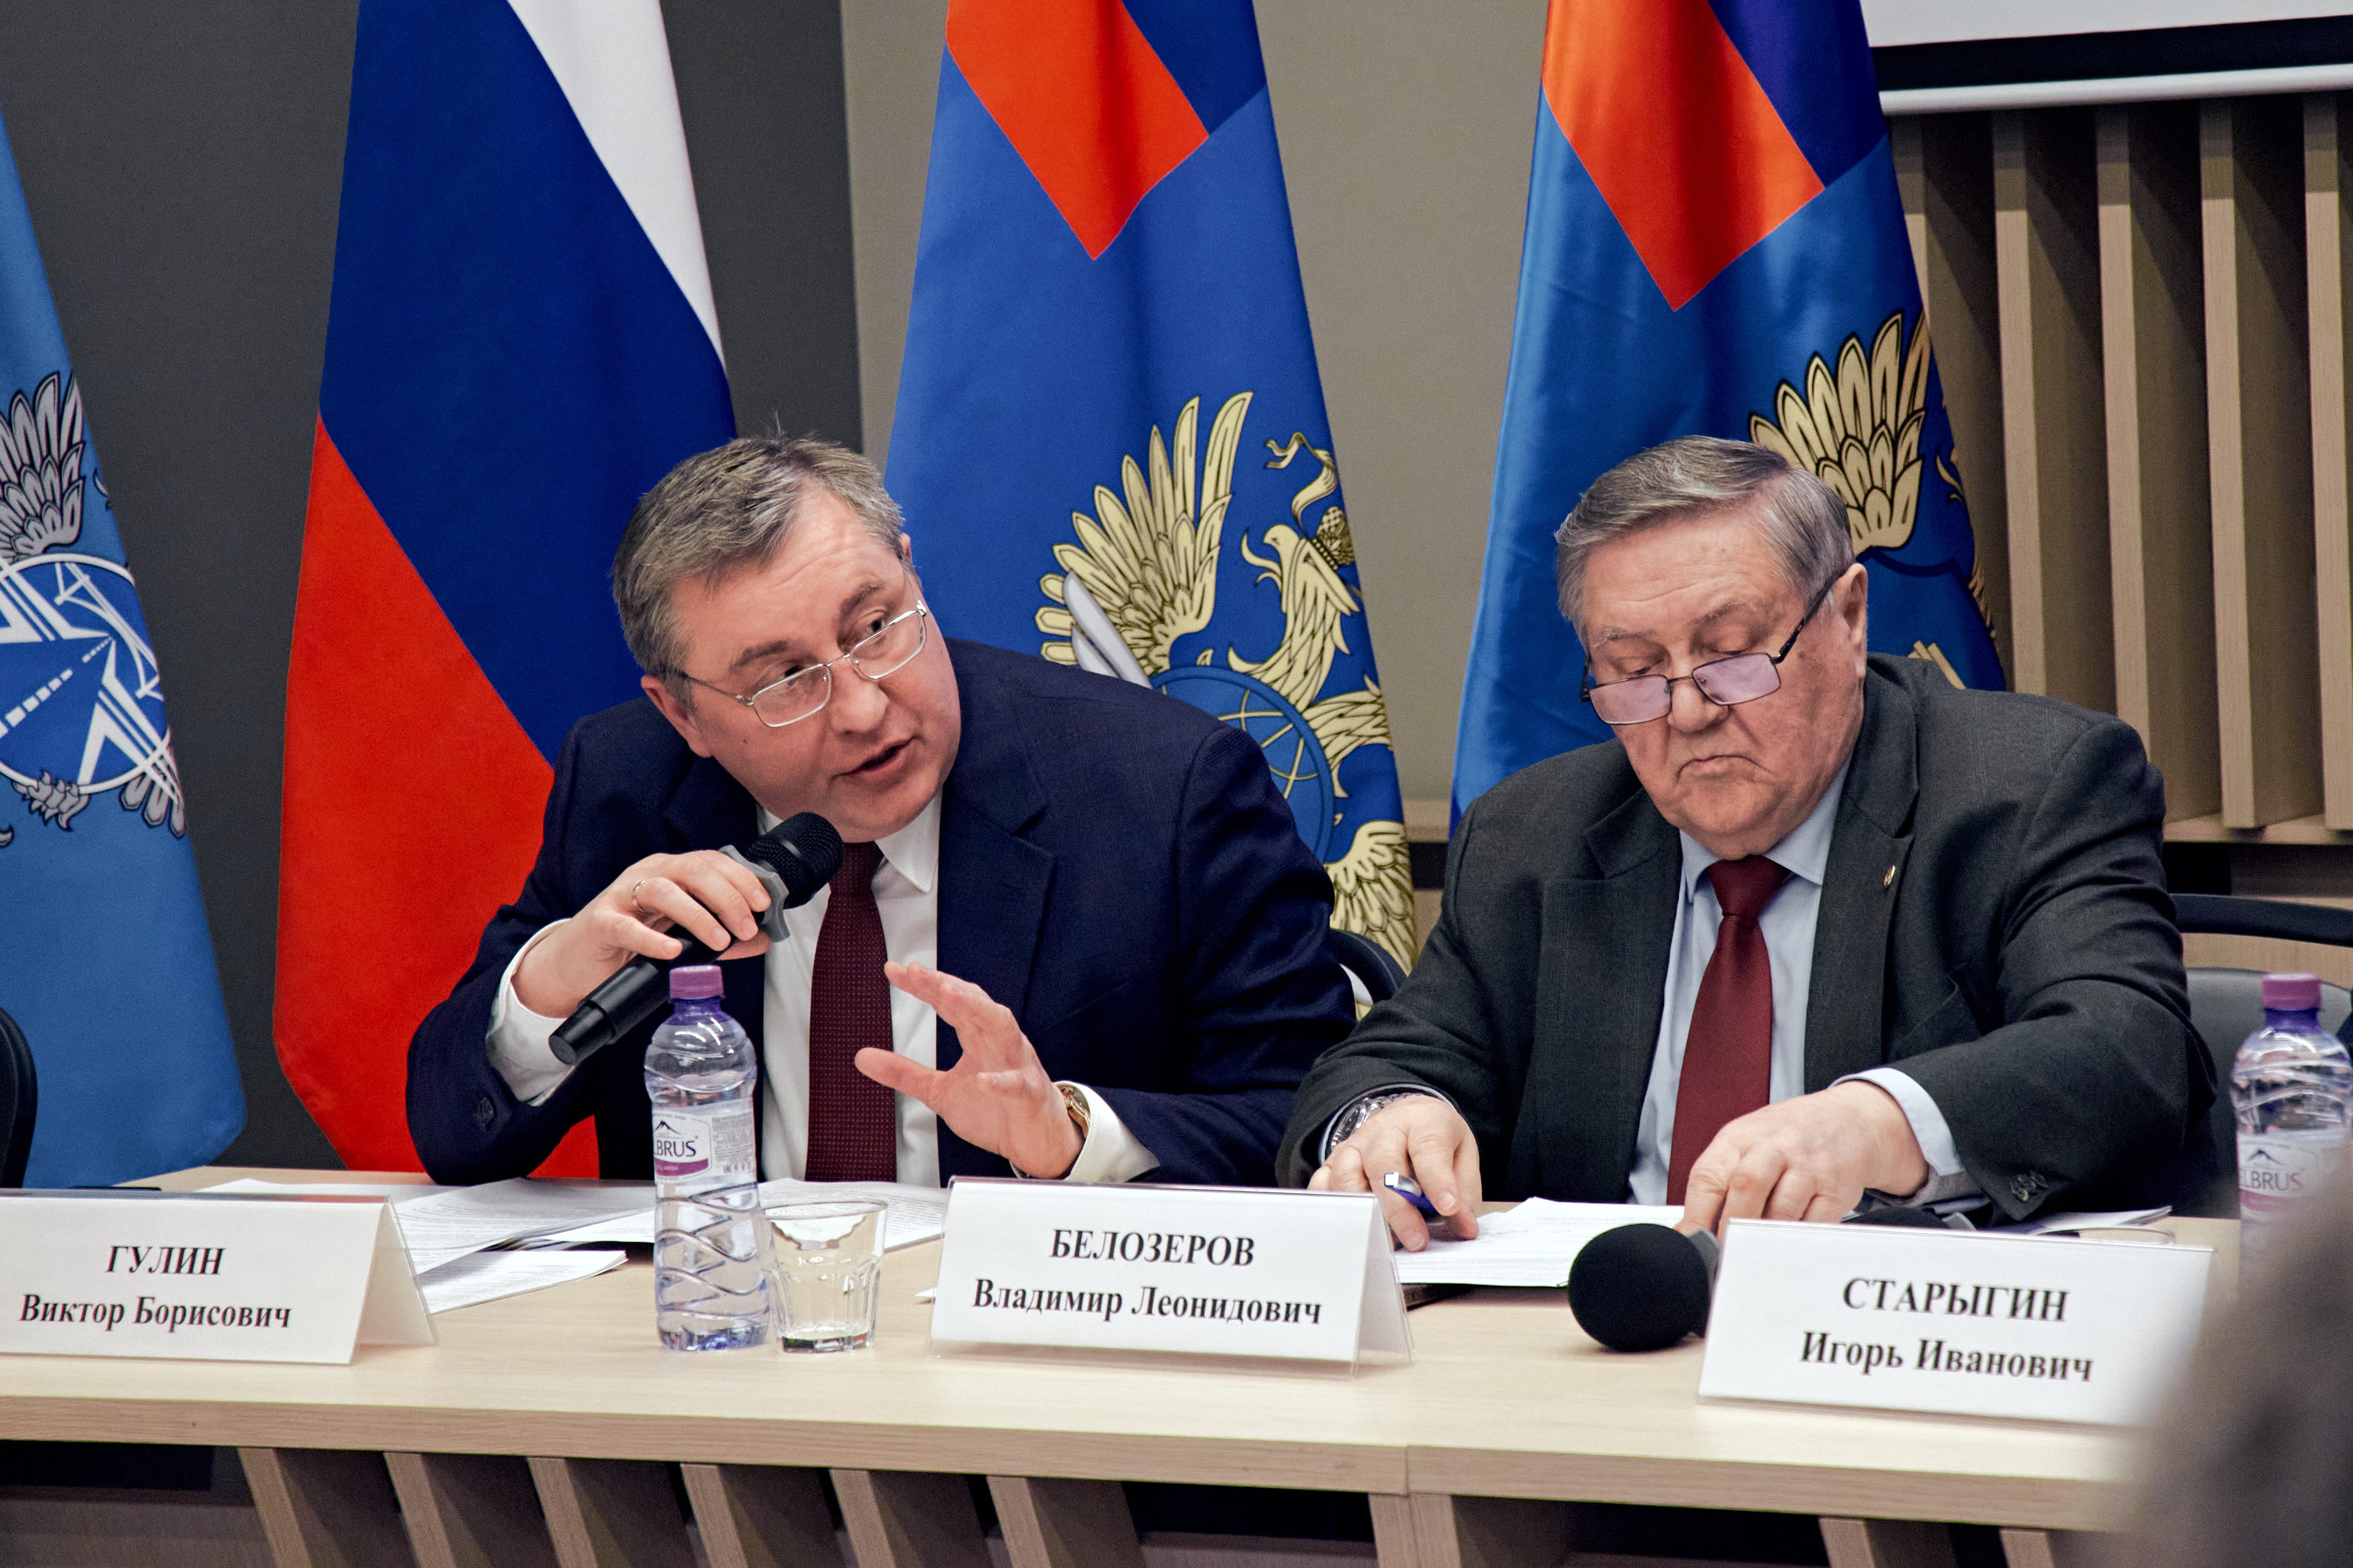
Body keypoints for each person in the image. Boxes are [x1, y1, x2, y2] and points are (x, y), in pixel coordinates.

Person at [1284, 435, 2211, 1242]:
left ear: (1848, 619)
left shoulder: (2028, 787)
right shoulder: (1535, 833)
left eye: (1730, 656)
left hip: (1888, 1339)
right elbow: (1392, 1060)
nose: (1687, 711)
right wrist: (1390, 1119)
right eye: (1634, 671)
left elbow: (2127, 1051)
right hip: (1594, 1338)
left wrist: (1876, 1122)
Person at [409, 436, 1354, 1188]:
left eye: (875, 627)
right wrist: (553, 981)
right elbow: (455, 1138)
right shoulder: (629, 787)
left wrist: (1069, 1134)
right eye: (784, 679)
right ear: (683, 715)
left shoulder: (1161, 788)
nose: (863, 708)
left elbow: (1306, 1120)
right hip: (726, 1332)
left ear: (911, 574)